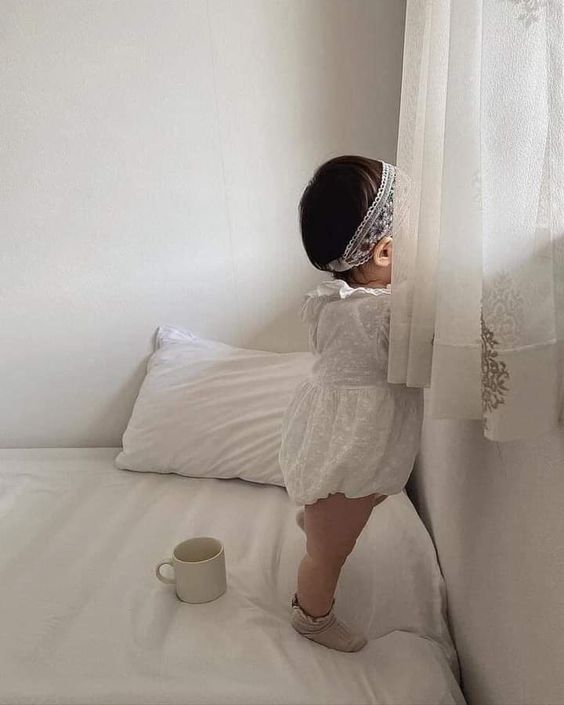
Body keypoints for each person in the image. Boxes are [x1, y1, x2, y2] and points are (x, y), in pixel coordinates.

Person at [278, 156, 423, 652]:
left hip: (335, 432)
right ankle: (311, 616)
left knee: (362, 494)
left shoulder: (332, 300)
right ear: (385, 252)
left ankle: (321, 518)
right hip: (350, 444)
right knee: (329, 554)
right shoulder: (382, 314)